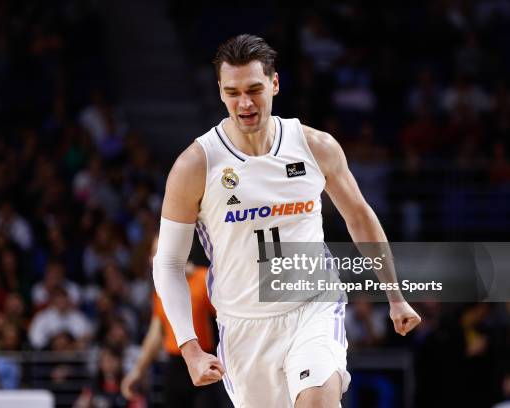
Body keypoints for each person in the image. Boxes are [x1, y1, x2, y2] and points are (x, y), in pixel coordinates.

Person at [152, 34, 421, 408]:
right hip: (244, 325)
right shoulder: (196, 164)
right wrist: (190, 348)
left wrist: (395, 297)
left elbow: (359, 216)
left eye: (254, 89)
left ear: (275, 84)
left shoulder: (315, 146)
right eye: (233, 92)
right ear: (219, 92)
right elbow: (167, 263)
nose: (244, 103)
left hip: (312, 307)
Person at [121, 235, 229, 407]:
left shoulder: (203, 279)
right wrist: (138, 371)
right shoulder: (160, 290)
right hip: (175, 366)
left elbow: (228, 319)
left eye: (160, 252)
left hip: (204, 362)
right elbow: (156, 334)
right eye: (153, 254)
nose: (155, 259)